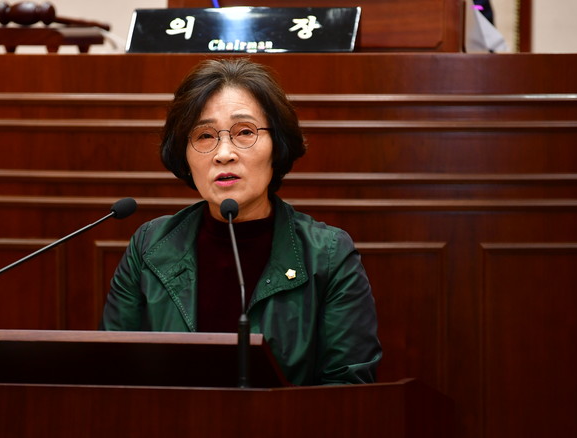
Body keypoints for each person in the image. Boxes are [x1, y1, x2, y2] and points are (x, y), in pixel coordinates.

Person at [100, 58, 381, 386]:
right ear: (184, 155)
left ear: (277, 146)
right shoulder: (149, 247)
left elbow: (347, 389)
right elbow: (112, 372)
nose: (224, 154)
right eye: (205, 136)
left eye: (245, 132)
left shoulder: (328, 255)